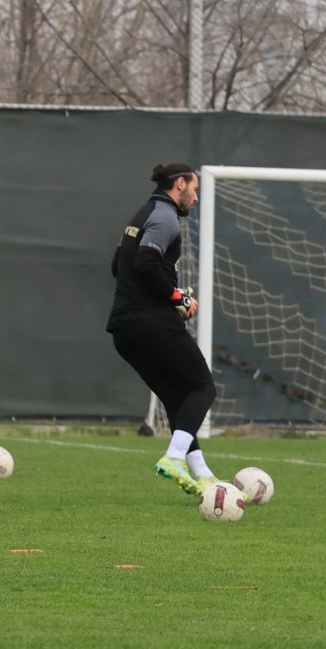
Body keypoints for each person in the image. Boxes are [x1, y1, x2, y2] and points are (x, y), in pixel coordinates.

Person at [107, 162, 218, 495]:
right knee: (203, 388)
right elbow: (145, 263)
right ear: (179, 184)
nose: (196, 198)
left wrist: (174, 298)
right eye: (194, 189)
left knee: (176, 398)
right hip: (150, 322)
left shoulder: (141, 215)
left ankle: (205, 476)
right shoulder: (166, 216)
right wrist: (176, 295)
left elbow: (118, 266)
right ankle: (173, 457)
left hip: (124, 330)